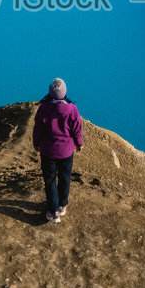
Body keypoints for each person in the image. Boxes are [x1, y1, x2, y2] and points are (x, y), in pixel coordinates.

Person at [32, 77, 84, 224]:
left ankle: (53, 210)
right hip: (66, 151)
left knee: (50, 180)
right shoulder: (72, 109)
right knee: (65, 177)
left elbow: (38, 129)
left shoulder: (43, 108)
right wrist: (79, 143)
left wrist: (36, 143)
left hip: (48, 151)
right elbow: (77, 129)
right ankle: (62, 205)